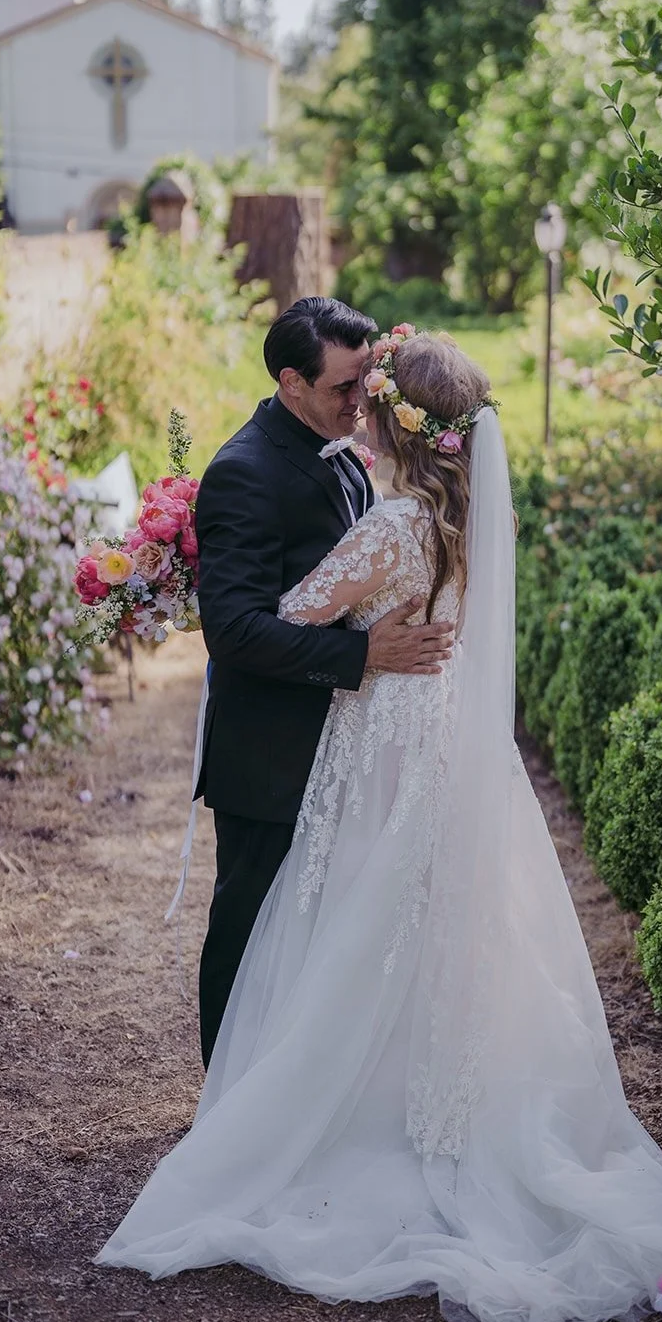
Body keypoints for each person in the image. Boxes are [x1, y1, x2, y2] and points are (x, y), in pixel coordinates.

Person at [98, 331, 662, 1322]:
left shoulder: (395, 524)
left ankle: (323, 1114)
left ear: (403, 422)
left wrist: (222, 582)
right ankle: (424, 1101)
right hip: (443, 742)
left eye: (376, 394)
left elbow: (287, 610)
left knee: (358, 921)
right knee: (429, 928)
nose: (361, 405)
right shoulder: (465, 521)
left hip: (382, 749)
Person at [190, 298, 454, 1066]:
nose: (361, 399)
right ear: (290, 381)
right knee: (246, 932)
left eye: (367, 378)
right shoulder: (242, 473)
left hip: (345, 745)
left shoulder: (341, 447)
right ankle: (224, 1109)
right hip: (269, 750)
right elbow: (232, 630)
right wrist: (360, 657)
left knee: (309, 940)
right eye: (344, 385)